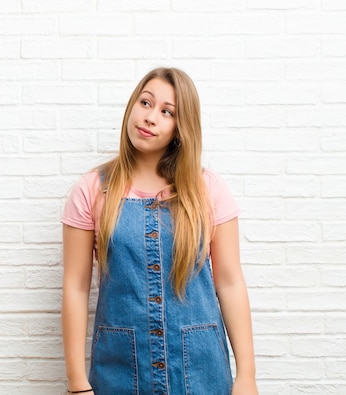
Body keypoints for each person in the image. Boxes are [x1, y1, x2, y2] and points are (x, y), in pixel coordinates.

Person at [61, 67, 258, 395]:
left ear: (181, 128)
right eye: (145, 103)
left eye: (167, 112)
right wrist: (77, 382)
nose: (150, 117)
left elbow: (230, 281)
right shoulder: (92, 190)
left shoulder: (208, 190)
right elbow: (75, 287)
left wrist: (247, 375)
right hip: (120, 369)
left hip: (201, 369)